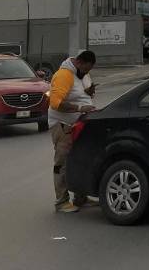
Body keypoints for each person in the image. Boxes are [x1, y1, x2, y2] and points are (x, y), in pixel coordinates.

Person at [48, 49, 98, 213]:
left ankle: (80, 197)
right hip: (63, 125)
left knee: (80, 160)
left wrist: (88, 92)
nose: (86, 73)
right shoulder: (64, 75)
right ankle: (61, 201)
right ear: (79, 62)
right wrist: (80, 108)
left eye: (89, 70)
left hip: (78, 125)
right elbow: (56, 103)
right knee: (62, 163)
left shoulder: (83, 74)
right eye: (85, 69)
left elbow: (79, 92)